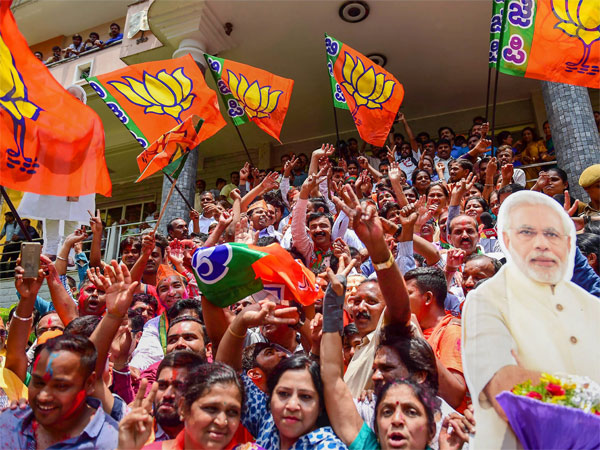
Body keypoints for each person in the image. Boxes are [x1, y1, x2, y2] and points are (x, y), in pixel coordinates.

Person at [462, 190, 600, 448]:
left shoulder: (588, 302)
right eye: (527, 232)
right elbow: (508, 392)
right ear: (506, 240)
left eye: (552, 234)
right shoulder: (487, 301)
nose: (541, 243)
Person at [0, 334, 120, 448]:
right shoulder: (10, 423)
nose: (43, 396)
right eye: (38, 383)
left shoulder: (112, 442)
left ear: (89, 383)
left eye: (60, 386)